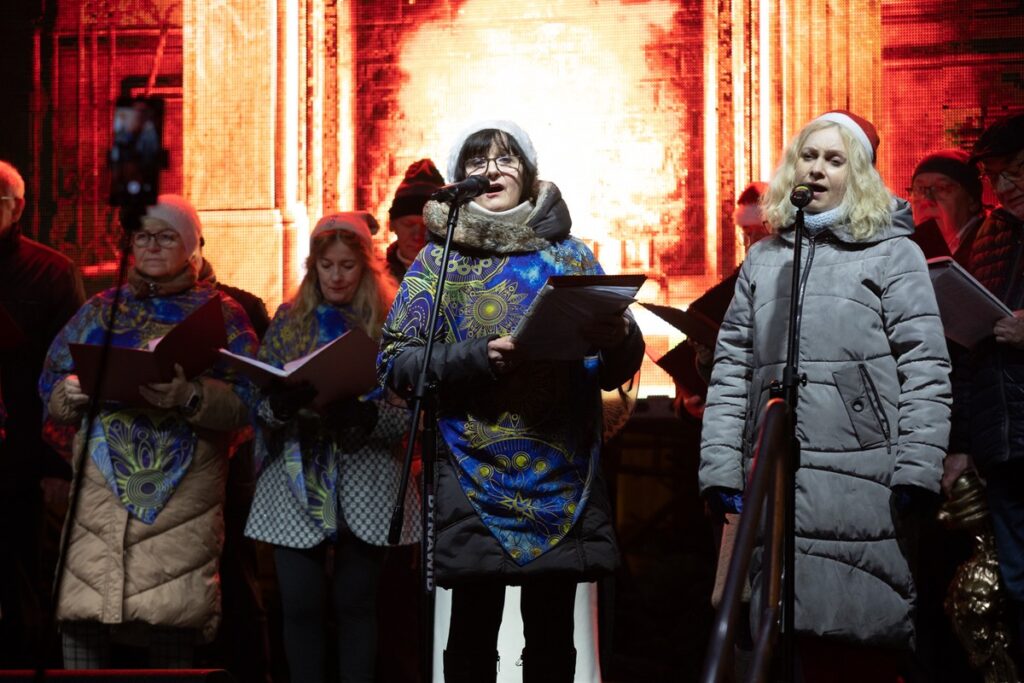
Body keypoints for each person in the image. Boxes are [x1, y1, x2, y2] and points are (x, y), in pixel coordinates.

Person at [378, 120, 645, 682]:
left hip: (560, 473)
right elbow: (396, 363)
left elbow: (616, 369)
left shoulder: (571, 257)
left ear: (529, 172)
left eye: (505, 160)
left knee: (552, 641)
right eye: (477, 163)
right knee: (470, 640)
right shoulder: (437, 261)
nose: (491, 172)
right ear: (459, 180)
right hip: (470, 475)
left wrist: (619, 339)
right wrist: (475, 357)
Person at [699, 111, 952, 681]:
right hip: (772, 473)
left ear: (857, 173)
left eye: (834, 160)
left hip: (862, 478)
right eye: (808, 157)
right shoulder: (766, 258)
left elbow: (926, 368)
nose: (817, 169)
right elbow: (732, 367)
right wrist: (719, 469)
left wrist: (917, 467)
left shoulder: (893, 254)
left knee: (848, 645)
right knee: (774, 646)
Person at [38, 194, 258, 668]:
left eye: (167, 236)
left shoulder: (223, 315)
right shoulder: (100, 310)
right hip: (100, 494)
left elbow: (250, 399)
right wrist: (67, 395)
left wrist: (192, 396)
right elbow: (52, 379)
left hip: (181, 497)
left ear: (194, 246)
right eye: (143, 236)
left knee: (168, 618)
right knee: (83, 615)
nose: (153, 246)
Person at [243, 211, 419, 683]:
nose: (336, 276)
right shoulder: (289, 320)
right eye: (327, 266)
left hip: (367, 477)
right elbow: (259, 399)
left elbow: (412, 408)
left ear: (364, 268)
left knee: (356, 604)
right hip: (298, 475)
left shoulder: (391, 322)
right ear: (313, 267)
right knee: (300, 605)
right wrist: (278, 406)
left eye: (347, 266)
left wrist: (368, 416)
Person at [0, 159, 86, 667]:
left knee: (22, 577)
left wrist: (55, 464)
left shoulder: (52, 271)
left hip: (22, 452)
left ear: (18, 207)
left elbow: (68, 372)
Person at [947, 112, 1024, 665]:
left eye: (1017, 173)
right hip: (1003, 447)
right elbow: (963, 356)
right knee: (1016, 588)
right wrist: (960, 443)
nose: (1004, 189)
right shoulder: (986, 235)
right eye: (996, 176)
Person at [194, 246, 273, 682]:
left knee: (237, 576)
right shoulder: (122, 310)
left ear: (199, 248)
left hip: (234, 465)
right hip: (178, 466)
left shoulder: (239, 306)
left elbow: (260, 382)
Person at [908, 149, 985, 264]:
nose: (926, 200)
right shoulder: (905, 252)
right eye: (919, 189)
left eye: (941, 188)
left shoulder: (990, 245)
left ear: (972, 200)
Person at [387, 158, 446, 282]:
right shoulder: (377, 278)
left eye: (426, 226)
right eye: (408, 224)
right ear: (392, 225)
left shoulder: (459, 274)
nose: (417, 235)